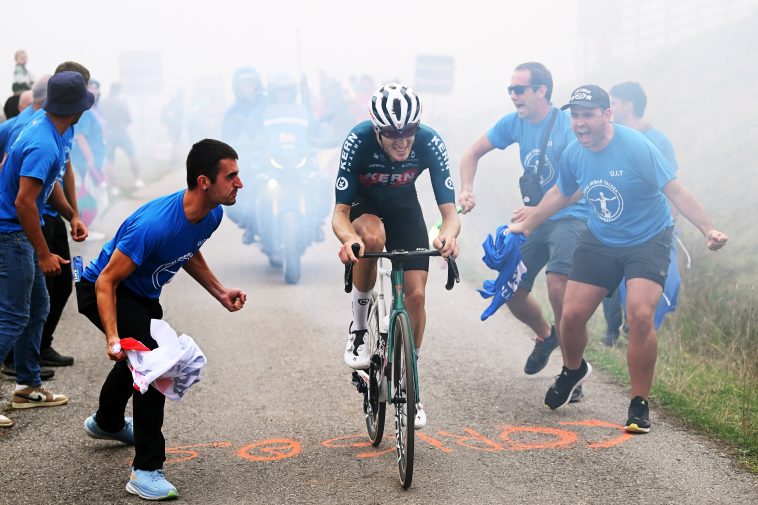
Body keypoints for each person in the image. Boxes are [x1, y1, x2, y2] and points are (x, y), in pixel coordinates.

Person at [509, 84, 728, 433]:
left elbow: (675, 189)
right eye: (576, 116)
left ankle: (639, 403)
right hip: (600, 239)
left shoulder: (636, 146)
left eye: (588, 115)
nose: (580, 123)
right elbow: (559, 194)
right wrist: (527, 224)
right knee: (572, 314)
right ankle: (573, 370)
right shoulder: (574, 153)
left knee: (640, 315)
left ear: (607, 114)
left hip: (648, 239)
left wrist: (708, 229)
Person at [75, 139, 246, 500]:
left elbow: (188, 249)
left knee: (137, 359)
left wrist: (218, 291)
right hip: (103, 288)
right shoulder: (153, 225)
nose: (239, 183)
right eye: (231, 176)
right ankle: (146, 470)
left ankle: (106, 422)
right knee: (154, 363)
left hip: (140, 296)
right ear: (204, 182)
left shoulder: (211, 214)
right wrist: (112, 338)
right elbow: (106, 280)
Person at [332, 82, 460, 429]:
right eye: (391, 133)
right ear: (377, 129)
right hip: (365, 205)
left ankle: (410, 378)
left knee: (415, 295)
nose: (402, 140)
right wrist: (349, 240)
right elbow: (339, 214)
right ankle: (359, 329)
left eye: (408, 132)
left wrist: (448, 234)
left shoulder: (429, 141)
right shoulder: (358, 139)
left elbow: (449, 215)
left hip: (405, 208)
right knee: (372, 237)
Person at [458, 62, 588, 390]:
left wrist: (537, 212)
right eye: (510, 90)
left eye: (519, 89)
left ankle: (573, 371)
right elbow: (471, 153)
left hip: (572, 216)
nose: (513, 96)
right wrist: (467, 189)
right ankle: (547, 337)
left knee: (558, 285)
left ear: (541, 90)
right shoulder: (514, 123)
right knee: (511, 292)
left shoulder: (565, 127)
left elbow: (580, 187)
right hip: (536, 219)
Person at [0, 71, 91, 427]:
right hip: (12, 235)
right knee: (12, 316)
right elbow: (25, 202)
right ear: (76, 108)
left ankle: (28, 385)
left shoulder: (52, 127)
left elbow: (48, 184)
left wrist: (71, 215)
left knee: (39, 305)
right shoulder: (43, 142)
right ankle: (25, 380)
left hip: (18, 233)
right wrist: (42, 252)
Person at [600, 81, 682, 347]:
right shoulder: (610, 136)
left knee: (652, 283)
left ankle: (636, 330)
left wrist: (668, 226)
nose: (608, 108)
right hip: (615, 222)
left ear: (629, 105)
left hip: (651, 227)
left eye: (613, 102)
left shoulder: (659, 141)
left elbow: (671, 187)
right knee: (608, 279)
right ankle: (613, 330)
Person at [100, 82, 142, 192]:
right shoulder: (122, 102)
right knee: (132, 155)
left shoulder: (103, 102)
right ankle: (137, 180)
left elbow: (101, 117)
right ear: (119, 90)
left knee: (110, 160)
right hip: (121, 132)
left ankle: (114, 187)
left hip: (109, 133)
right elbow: (129, 119)